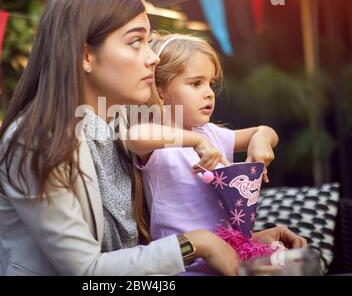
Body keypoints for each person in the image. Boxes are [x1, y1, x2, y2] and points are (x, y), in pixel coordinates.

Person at [0, 0, 306, 276]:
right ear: (86, 55)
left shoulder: (118, 125)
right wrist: (198, 244)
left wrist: (237, 243)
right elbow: (86, 272)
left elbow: (142, 240)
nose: (154, 58)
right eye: (136, 41)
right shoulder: (34, 144)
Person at [124, 33, 307, 275]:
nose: (210, 92)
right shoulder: (161, 144)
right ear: (160, 91)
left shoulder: (212, 134)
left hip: (228, 261)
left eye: (211, 83)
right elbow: (135, 136)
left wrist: (261, 139)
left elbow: (267, 131)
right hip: (184, 268)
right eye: (196, 83)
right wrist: (195, 141)